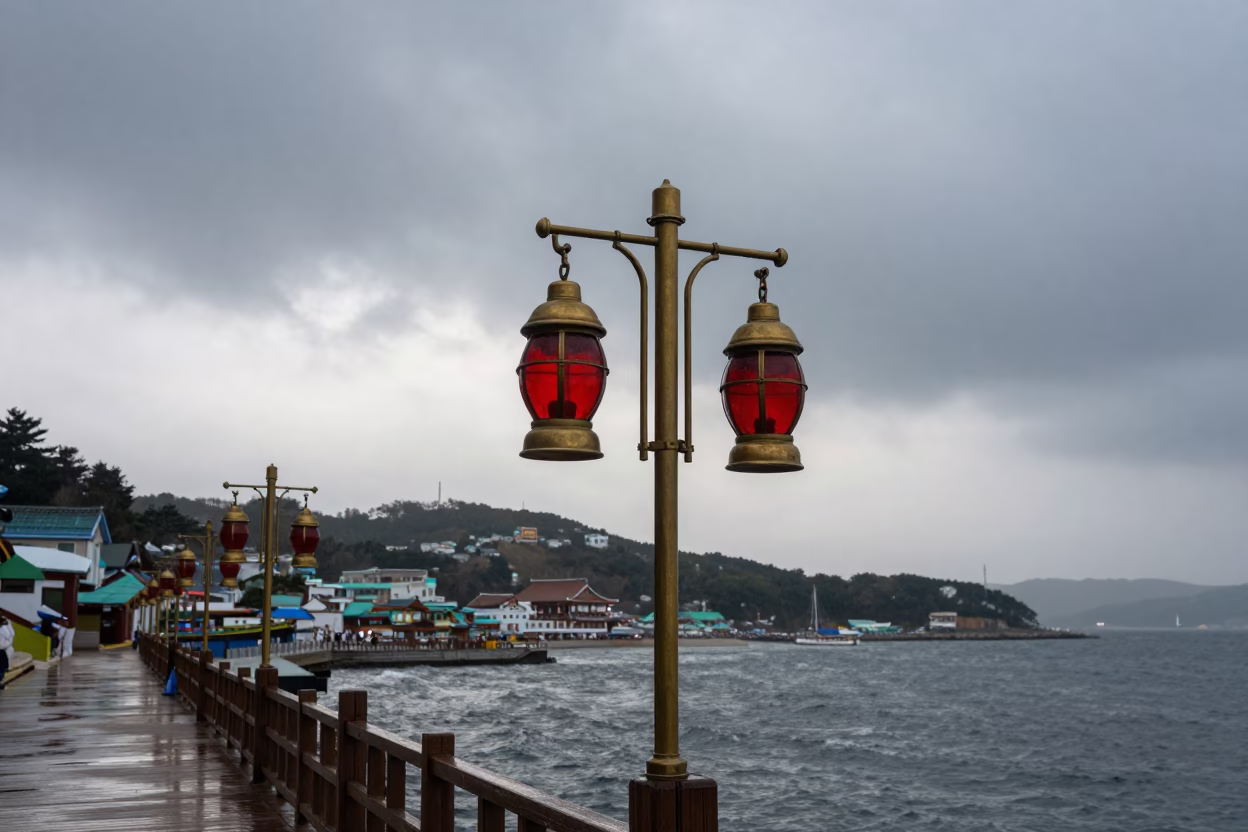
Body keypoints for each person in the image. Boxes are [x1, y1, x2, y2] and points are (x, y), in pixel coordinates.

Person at [0, 615, 14, 690]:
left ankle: (1, 681)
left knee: (2, 667)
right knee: (2, 667)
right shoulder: (3, 630)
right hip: (2, 650)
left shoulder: (4, 628)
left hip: (3, 651)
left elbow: (10, 636)